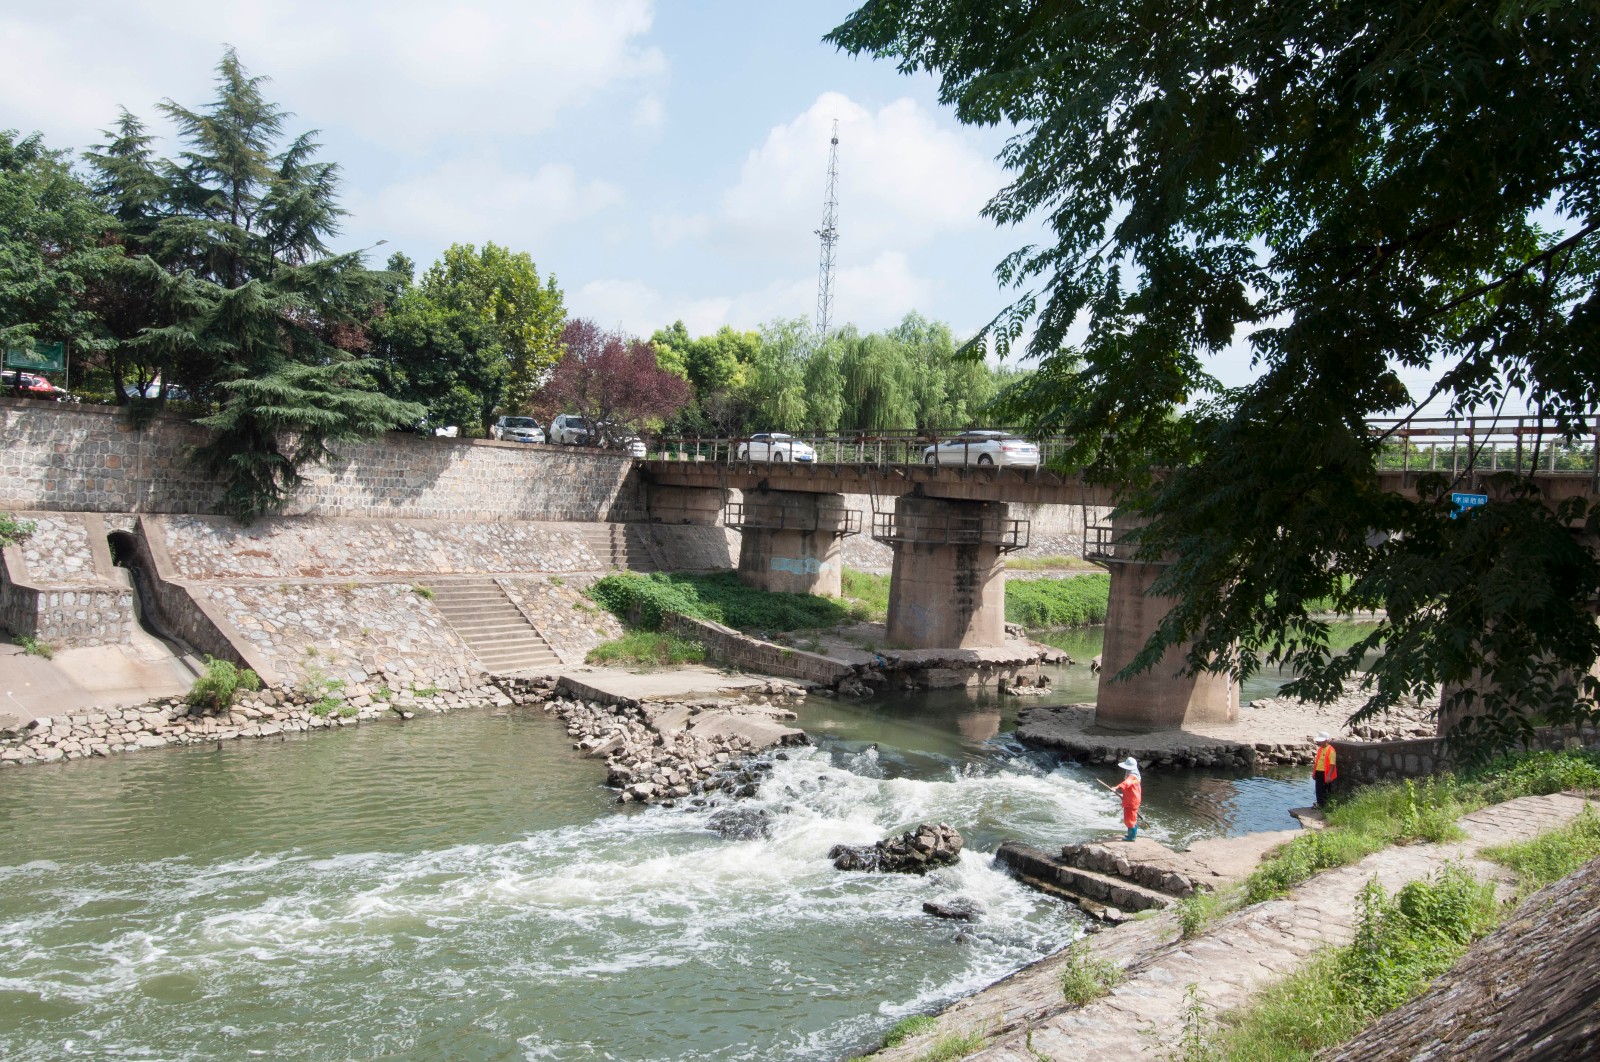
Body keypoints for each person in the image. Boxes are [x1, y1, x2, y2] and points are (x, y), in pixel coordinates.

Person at [1098, 757, 1143, 841]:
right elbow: (1131, 785)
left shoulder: (1132, 777)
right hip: (1134, 799)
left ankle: (1131, 836)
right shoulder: (1137, 776)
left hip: (1131, 801)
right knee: (1132, 817)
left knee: (1129, 819)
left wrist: (1116, 787)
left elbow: (1126, 783)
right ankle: (1132, 833)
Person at [1313, 732, 1338, 807]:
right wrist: (1314, 773)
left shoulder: (1331, 750)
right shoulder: (1320, 749)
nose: (1318, 742)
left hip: (1325, 773)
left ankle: (1323, 805)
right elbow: (1318, 762)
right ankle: (1319, 803)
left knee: (1324, 789)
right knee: (1318, 789)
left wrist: (1329, 776)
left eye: (1320, 741)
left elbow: (1332, 764)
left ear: (1326, 741)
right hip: (1318, 772)